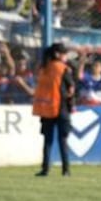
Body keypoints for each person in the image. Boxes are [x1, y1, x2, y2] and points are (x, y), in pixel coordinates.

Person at [32, 42, 76, 177]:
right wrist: (69, 100)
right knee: (63, 140)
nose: (66, 57)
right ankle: (66, 170)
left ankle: (45, 169)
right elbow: (71, 88)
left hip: (46, 108)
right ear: (58, 55)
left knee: (47, 140)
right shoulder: (62, 68)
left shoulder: (43, 68)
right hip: (61, 107)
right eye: (64, 54)